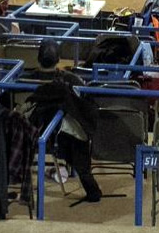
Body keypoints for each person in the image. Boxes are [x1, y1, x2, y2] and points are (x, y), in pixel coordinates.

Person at [26, 42, 103, 202]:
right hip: (63, 136)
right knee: (79, 132)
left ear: (38, 59)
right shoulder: (71, 79)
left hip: (29, 133)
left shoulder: (24, 79)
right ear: (59, 59)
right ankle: (90, 187)